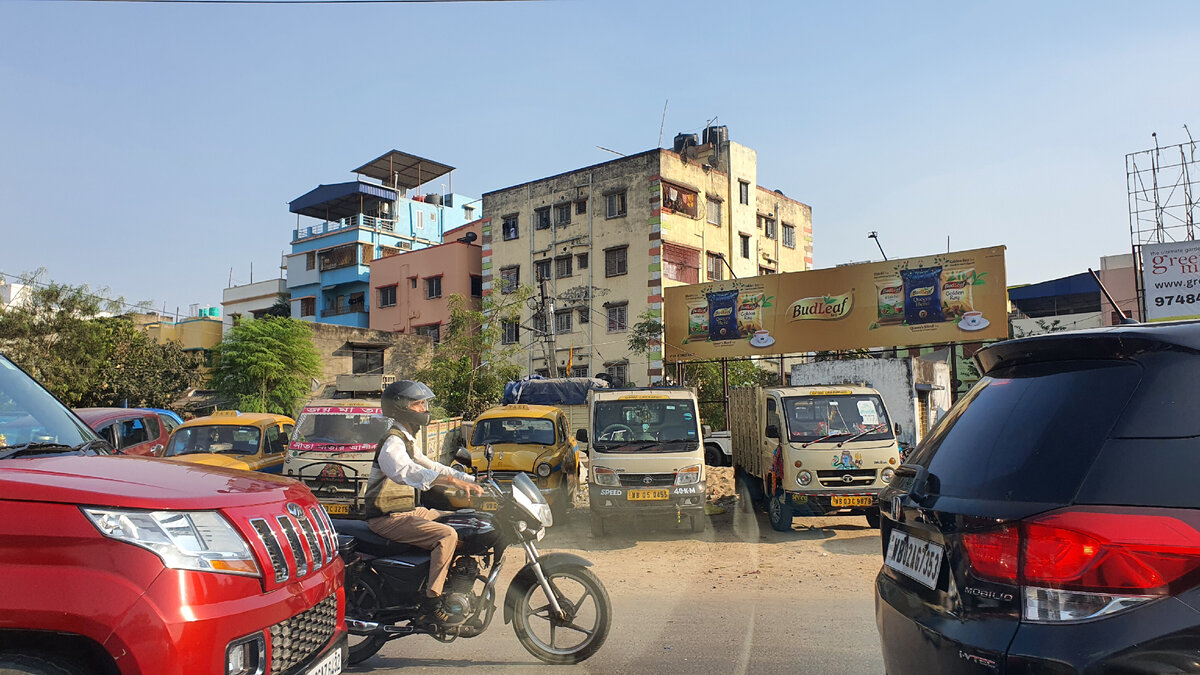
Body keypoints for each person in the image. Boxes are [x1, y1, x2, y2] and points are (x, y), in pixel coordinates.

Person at [363, 380, 483, 624]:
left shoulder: (407, 440)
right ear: (401, 407)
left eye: (423, 403)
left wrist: (471, 479)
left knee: (456, 520)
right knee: (446, 535)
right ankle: (431, 602)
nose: (423, 409)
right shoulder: (392, 443)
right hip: (387, 518)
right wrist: (449, 481)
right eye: (417, 404)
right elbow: (405, 471)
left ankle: (448, 580)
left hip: (406, 511)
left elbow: (430, 465)